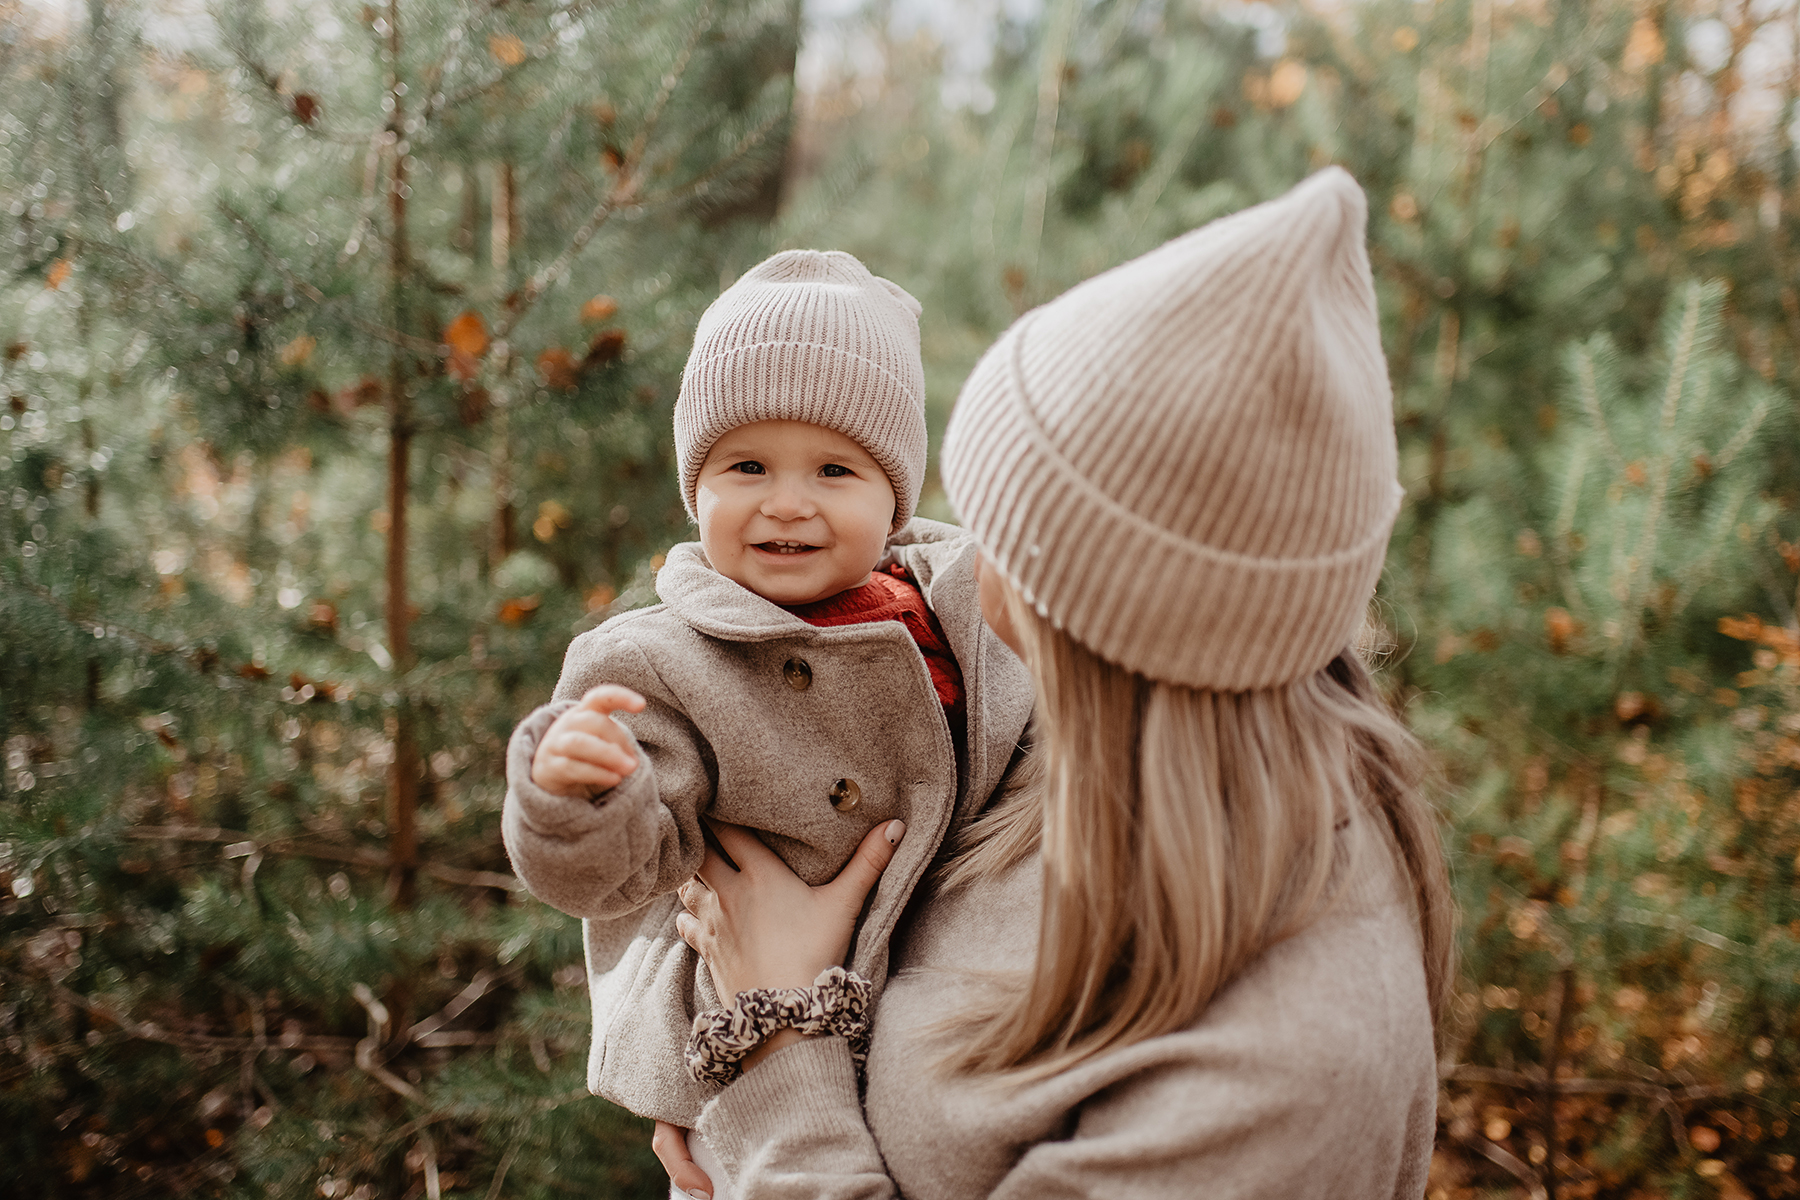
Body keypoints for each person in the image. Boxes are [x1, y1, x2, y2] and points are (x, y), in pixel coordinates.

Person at [659, 167, 1455, 1199]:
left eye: (1012, 541)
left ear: (1114, 612)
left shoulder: (1284, 1072)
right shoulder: (1054, 742)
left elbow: (788, 1091)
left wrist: (771, 1050)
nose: (965, 571)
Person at [500, 251, 1034, 1174]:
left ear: (895, 499)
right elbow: (616, 877)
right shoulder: (652, 661)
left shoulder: (963, 606)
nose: (787, 504)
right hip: (737, 1051)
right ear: (694, 485)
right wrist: (574, 796)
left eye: (834, 469)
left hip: (928, 1031)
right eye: (747, 465)